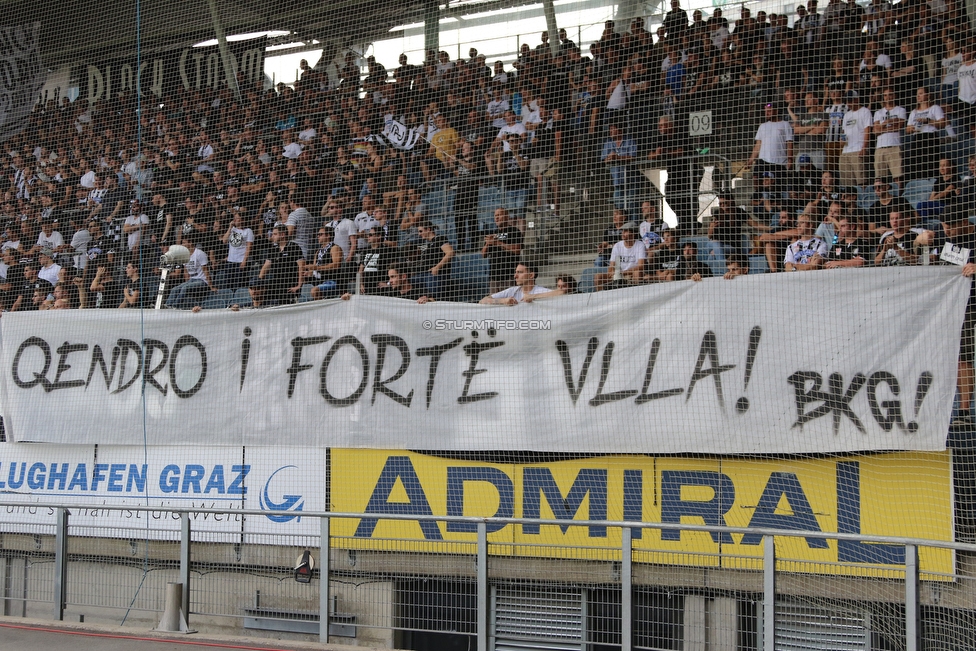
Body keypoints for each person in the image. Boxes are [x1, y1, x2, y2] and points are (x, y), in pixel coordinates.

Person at [744, 102, 794, 183]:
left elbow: (789, 143)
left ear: (776, 111)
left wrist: (790, 159)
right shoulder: (762, 126)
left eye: (769, 111)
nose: (767, 113)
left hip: (779, 162)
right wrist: (751, 160)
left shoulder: (785, 124)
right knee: (756, 181)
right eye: (766, 111)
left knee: (777, 186)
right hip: (763, 160)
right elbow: (758, 145)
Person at [258, 223, 305, 305]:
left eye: (275, 234)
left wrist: (299, 285)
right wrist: (258, 283)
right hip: (276, 284)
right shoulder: (273, 249)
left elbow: (301, 266)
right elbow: (266, 266)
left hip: (289, 285)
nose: (272, 236)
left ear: (282, 234)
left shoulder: (294, 247)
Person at [165, 235, 216, 309]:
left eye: (184, 243)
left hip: (201, 280)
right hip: (191, 280)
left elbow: (206, 270)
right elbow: (186, 271)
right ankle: (167, 306)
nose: (182, 245)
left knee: (185, 288)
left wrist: (211, 286)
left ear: (190, 243)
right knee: (175, 289)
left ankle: (174, 306)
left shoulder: (199, 254)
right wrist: (187, 281)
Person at [905, 87, 945, 180]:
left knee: (931, 162)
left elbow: (942, 123)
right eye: (917, 94)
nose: (918, 96)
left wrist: (927, 121)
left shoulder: (935, 108)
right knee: (917, 164)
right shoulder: (914, 112)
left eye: (921, 93)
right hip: (917, 138)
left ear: (928, 95)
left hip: (930, 137)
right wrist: (913, 129)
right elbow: (907, 129)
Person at [482, 208, 524, 294]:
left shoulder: (514, 231)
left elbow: (517, 250)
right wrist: (487, 243)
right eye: (495, 216)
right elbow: (483, 254)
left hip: (509, 275)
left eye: (499, 215)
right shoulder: (493, 233)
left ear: (507, 217)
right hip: (494, 277)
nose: (497, 218)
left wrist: (497, 243)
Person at [595, 221, 646, 290]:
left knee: (638, 273)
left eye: (625, 231)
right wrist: (614, 272)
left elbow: (641, 266)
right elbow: (611, 266)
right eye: (623, 231)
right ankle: (601, 298)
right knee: (598, 277)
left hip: (631, 274)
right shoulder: (617, 246)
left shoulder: (640, 245)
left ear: (633, 234)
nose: (622, 233)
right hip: (618, 274)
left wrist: (624, 272)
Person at [873, 87, 907, 185]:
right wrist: (889, 123)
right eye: (885, 95)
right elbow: (875, 131)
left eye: (890, 94)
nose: (888, 97)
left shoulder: (900, 110)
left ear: (895, 96)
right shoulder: (878, 113)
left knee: (897, 176)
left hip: (894, 146)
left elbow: (899, 126)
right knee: (879, 178)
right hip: (880, 148)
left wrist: (882, 126)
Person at [839, 91, 874, 188]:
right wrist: (842, 140)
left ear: (857, 99)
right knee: (847, 183)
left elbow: (868, 131)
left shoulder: (865, 111)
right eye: (847, 101)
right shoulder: (846, 115)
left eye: (850, 100)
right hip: (846, 150)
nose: (848, 103)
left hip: (858, 150)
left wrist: (864, 147)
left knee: (861, 180)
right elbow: (844, 132)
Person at [413, 220, 454, 298]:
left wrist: (437, 267)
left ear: (428, 229)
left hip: (435, 276)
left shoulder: (440, 238)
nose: (419, 234)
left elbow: (450, 253)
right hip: (423, 274)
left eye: (421, 231)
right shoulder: (426, 244)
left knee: (433, 298)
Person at [216, 208, 254, 291]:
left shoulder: (248, 231)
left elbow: (249, 247)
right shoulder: (232, 230)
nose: (235, 220)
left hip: (241, 260)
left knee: (239, 283)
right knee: (229, 283)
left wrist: (244, 261)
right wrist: (230, 228)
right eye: (235, 218)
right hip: (231, 260)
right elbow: (224, 240)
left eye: (237, 218)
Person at [480, 262, 550, 304]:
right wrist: (503, 301)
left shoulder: (540, 291)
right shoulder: (512, 291)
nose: (515, 276)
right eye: (515, 272)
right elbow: (482, 301)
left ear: (531, 275)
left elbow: (560, 294)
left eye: (519, 272)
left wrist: (533, 297)